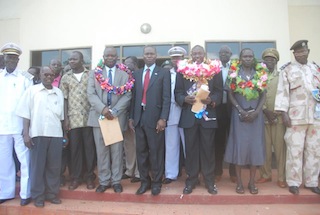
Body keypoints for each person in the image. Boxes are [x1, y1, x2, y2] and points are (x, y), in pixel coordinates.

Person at [175, 45, 222, 195]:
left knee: (208, 149)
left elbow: (220, 92)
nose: (197, 56)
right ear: (190, 55)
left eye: (199, 53)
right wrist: (184, 99)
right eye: (194, 53)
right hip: (190, 116)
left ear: (205, 54)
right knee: (191, 149)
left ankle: (209, 180)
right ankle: (192, 179)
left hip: (208, 115)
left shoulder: (214, 70)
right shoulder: (182, 70)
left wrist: (212, 100)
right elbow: (177, 92)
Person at [274, 40, 320, 195]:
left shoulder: (316, 69)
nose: (301, 54)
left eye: (303, 51)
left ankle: (312, 181)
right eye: (298, 52)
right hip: (296, 117)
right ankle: (293, 181)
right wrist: (283, 113)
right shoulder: (288, 70)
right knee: (295, 150)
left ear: (308, 51)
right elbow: (282, 92)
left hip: (315, 117)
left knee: (314, 150)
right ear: (294, 54)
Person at [16, 66, 64, 208]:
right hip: (37, 134)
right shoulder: (32, 91)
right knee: (37, 167)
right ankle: (38, 196)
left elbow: (61, 116)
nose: (48, 77)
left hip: (55, 134)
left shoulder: (59, 92)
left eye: (51, 75)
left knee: (54, 167)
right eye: (45, 74)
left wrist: (64, 134)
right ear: (40, 75)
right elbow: (25, 114)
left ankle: (52, 194)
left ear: (54, 76)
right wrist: (26, 134)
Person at [87, 47, 132, 193]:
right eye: (108, 55)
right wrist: (103, 109)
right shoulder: (94, 74)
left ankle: (116, 181)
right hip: (99, 117)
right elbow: (91, 94)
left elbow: (127, 95)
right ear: (103, 57)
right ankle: (104, 181)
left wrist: (114, 111)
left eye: (113, 55)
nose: (111, 58)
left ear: (117, 57)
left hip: (116, 118)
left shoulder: (124, 74)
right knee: (102, 151)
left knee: (117, 151)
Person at [129, 45, 171, 196]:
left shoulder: (163, 73)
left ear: (156, 55)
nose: (149, 56)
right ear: (143, 56)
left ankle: (156, 182)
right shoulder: (137, 73)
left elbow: (167, 98)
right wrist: (131, 117)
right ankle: (144, 182)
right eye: (146, 54)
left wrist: (163, 118)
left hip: (155, 119)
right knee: (141, 152)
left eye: (151, 54)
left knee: (156, 152)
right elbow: (134, 98)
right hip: (140, 118)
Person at [224, 48, 267, 195]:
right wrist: (240, 110)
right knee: (239, 148)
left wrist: (257, 112)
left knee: (255, 147)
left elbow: (264, 95)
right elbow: (230, 94)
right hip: (239, 115)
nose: (248, 58)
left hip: (256, 116)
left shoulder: (260, 73)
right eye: (245, 56)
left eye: (250, 56)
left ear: (253, 58)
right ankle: (240, 183)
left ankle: (252, 182)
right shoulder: (233, 72)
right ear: (240, 58)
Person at [0, 42, 32, 206]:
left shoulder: (25, 78)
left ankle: (26, 193)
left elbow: (29, 104)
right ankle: (6, 192)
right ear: (4, 59)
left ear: (18, 60)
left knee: (25, 160)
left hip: (20, 127)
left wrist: (27, 130)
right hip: (2, 127)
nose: (11, 61)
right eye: (8, 57)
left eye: (14, 58)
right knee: (4, 161)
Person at [60, 51, 96, 191]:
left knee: (89, 149)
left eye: (75, 59)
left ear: (82, 60)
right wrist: (65, 119)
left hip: (89, 118)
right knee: (74, 150)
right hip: (73, 119)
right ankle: (76, 178)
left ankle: (89, 177)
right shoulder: (66, 77)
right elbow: (64, 99)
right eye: (69, 59)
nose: (71, 61)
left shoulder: (91, 75)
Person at [256, 48, 287, 188]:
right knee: (265, 149)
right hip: (263, 118)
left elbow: (286, 95)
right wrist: (264, 110)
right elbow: (255, 96)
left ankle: (281, 177)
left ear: (276, 61)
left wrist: (278, 112)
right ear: (263, 61)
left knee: (280, 150)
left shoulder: (282, 76)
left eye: (272, 59)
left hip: (278, 118)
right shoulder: (258, 77)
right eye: (267, 59)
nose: (269, 61)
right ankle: (265, 175)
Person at [162, 46, 186, 184]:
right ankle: (171, 174)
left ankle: (192, 172)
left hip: (186, 111)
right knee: (171, 144)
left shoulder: (190, 72)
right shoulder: (166, 73)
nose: (176, 60)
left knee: (188, 144)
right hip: (171, 111)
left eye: (179, 57)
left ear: (183, 58)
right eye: (174, 58)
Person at [214, 45, 236, 183]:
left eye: (226, 52)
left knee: (233, 141)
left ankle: (233, 173)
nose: (224, 54)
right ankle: (218, 171)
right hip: (217, 109)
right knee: (218, 142)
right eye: (221, 52)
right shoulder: (214, 69)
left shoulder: (235, 68)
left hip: (232, 108)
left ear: (230, 54)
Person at [122, 56, 140, 183]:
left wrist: (133, 116)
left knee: (138, 144)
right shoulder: (124, 77)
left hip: (137, 115)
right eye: (124, 64)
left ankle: (139, 172)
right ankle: (129, 170)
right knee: (128, 145)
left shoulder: (139, 76)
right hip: (125, 114)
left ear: (135, 64)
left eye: (128, 64)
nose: (126, 66)